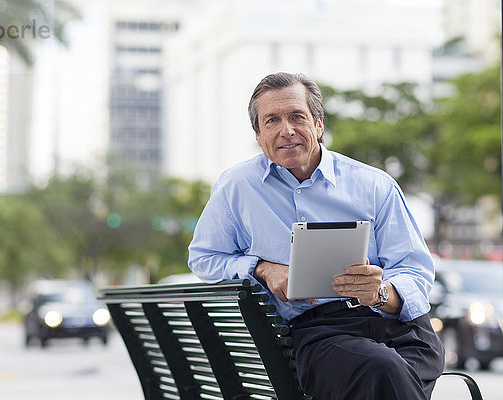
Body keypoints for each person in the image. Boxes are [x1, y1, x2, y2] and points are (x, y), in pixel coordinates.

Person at [188, 72, 445, 400]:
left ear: (319, 124)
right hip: (323, 332)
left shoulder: (375, 185)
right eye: (272, 120)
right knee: (383, 371)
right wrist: (262, 268)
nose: (287, 130)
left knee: (386, 375)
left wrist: (380, 292)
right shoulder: (236, 188)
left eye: (297, 117)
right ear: (258, 134)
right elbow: (204, 258)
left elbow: (416, 271)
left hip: (404, 328)